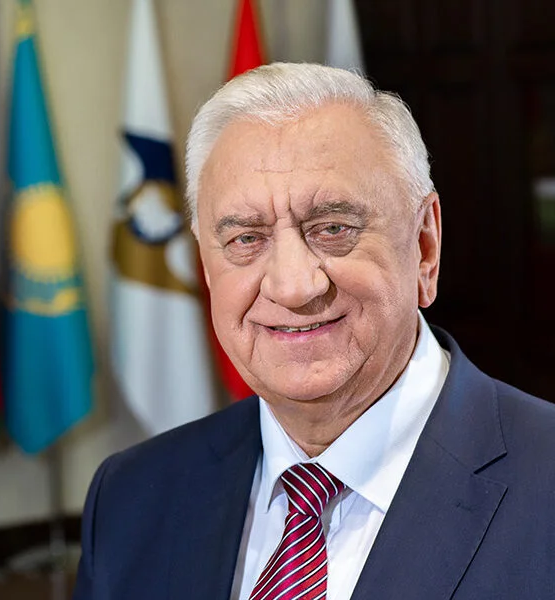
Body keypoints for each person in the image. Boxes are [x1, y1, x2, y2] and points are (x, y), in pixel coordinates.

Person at [73, 63, 555, 600]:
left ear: (424, 246)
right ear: (206, 265)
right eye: (246, 239)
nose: (293, 287)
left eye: (332, 229)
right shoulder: (129, 499)